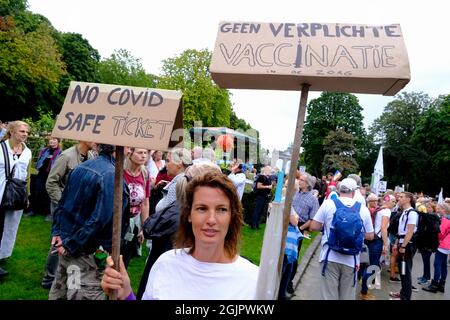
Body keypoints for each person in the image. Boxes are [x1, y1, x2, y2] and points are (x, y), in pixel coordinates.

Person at [101, 170, 259, 300]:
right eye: (202, 208)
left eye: (221, 209)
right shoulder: (166, 264)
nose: (211, 220)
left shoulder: (254, 280)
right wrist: (127, 294)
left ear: (232, 216)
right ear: (189, 214)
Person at [48, 144, 130, 300]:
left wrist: (59, 234)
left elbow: (62, 204)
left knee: (66, 290)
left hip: (71, 246)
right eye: (128, 147)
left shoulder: (81, 168)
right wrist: (67, 240)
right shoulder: (110, 175)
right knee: (78, 292)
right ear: (121, 148)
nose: (130, 150)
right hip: (87, 253)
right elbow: (99, 219)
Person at [136, 147, 191, 299]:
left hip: (166, 240)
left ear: (180, 163)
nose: (166, 165)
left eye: (168, 161)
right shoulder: (179, 180)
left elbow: (169, 212)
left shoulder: (181, 181)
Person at [41, 140, 95, 289]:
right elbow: (51, 182)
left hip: (78, 208)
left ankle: (66, 276)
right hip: (62, 206)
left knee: (71, 241)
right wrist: (62, 204)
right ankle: (49, 278)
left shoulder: (91, 155)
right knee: (59, 240)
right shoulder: (66, 156)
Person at [309, 178, 374, 300]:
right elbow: (370, 235)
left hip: (330, 256)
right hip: (352, 260)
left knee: (328, 296)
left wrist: (330, 227)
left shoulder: (329, 203)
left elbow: (314, 226)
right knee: (347, 296)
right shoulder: (363, 209)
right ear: (354, 192)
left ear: (338, 190)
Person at [0, 121, 32, 278]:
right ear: (11, 131)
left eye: (27, 132)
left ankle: (2, 254)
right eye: (22, 131)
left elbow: (26, 175)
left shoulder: (28, 152)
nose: (25, 134)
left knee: (10, 226)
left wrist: (26, 195)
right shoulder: (0, 148)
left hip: (16, 194)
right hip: (0, 192)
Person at [287, 172, 319, 294]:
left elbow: (312, 219)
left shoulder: (313, 199)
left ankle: (289, 282)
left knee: (293, 255)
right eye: (299, 179)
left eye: (302, 180)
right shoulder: (295, 193)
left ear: (308, 184)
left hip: (300, 226)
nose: (299, 181)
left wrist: (300, 230)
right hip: (288, 223)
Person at [360, 194, 394, 300]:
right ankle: (364, 293)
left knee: (364, 263)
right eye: (393, 201)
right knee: (372, 266)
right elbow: (384, 228)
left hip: (368, 238)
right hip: (377, 240)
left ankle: (361, 284)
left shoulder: (377, 209)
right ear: (388, 201)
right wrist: (385, 244)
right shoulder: (386, 211)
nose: (395, 203)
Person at [121, 147, 150, 268]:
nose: (143, 155)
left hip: (135, 222)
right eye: (140, 152)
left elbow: (145, 202)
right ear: (130, 154)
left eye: (145, 153)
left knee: (126, 257)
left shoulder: (144, 174)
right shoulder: (120, 172)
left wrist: (144, 227)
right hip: (120, 220)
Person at [389, 192, 418, 300]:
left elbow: (410, 231)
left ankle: (405, 296)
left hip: (408, 245)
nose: (399, 198)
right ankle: (403, 292)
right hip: (402, 242)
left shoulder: (412, 213)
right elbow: (401, 231)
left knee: (405, 270)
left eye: (401, 197)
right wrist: (397, 243)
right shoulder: (404, 212)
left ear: (408, 199)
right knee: (402, 270)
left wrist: (403, 246)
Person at [27, 136, 62, 219]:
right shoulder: (45, 151)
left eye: (54, 139)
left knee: (49, 194)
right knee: (37, 192)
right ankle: (33, 210)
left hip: (51, 176)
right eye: (50, 139)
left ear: (58, 141)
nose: (52, 141)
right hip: (41, 175)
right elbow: (39, 162)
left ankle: (48, 213)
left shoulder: (60, 153)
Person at [423, 203, 450, 293]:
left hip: (443, 244)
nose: (437, 210)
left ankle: (434, 285)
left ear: (444, 210)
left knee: (437, 264)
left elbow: (440, 232)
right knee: (443, 265)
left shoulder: (445, 218)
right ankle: (441, 285)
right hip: (447, 245)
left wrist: (436, 240)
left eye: (439, 208)